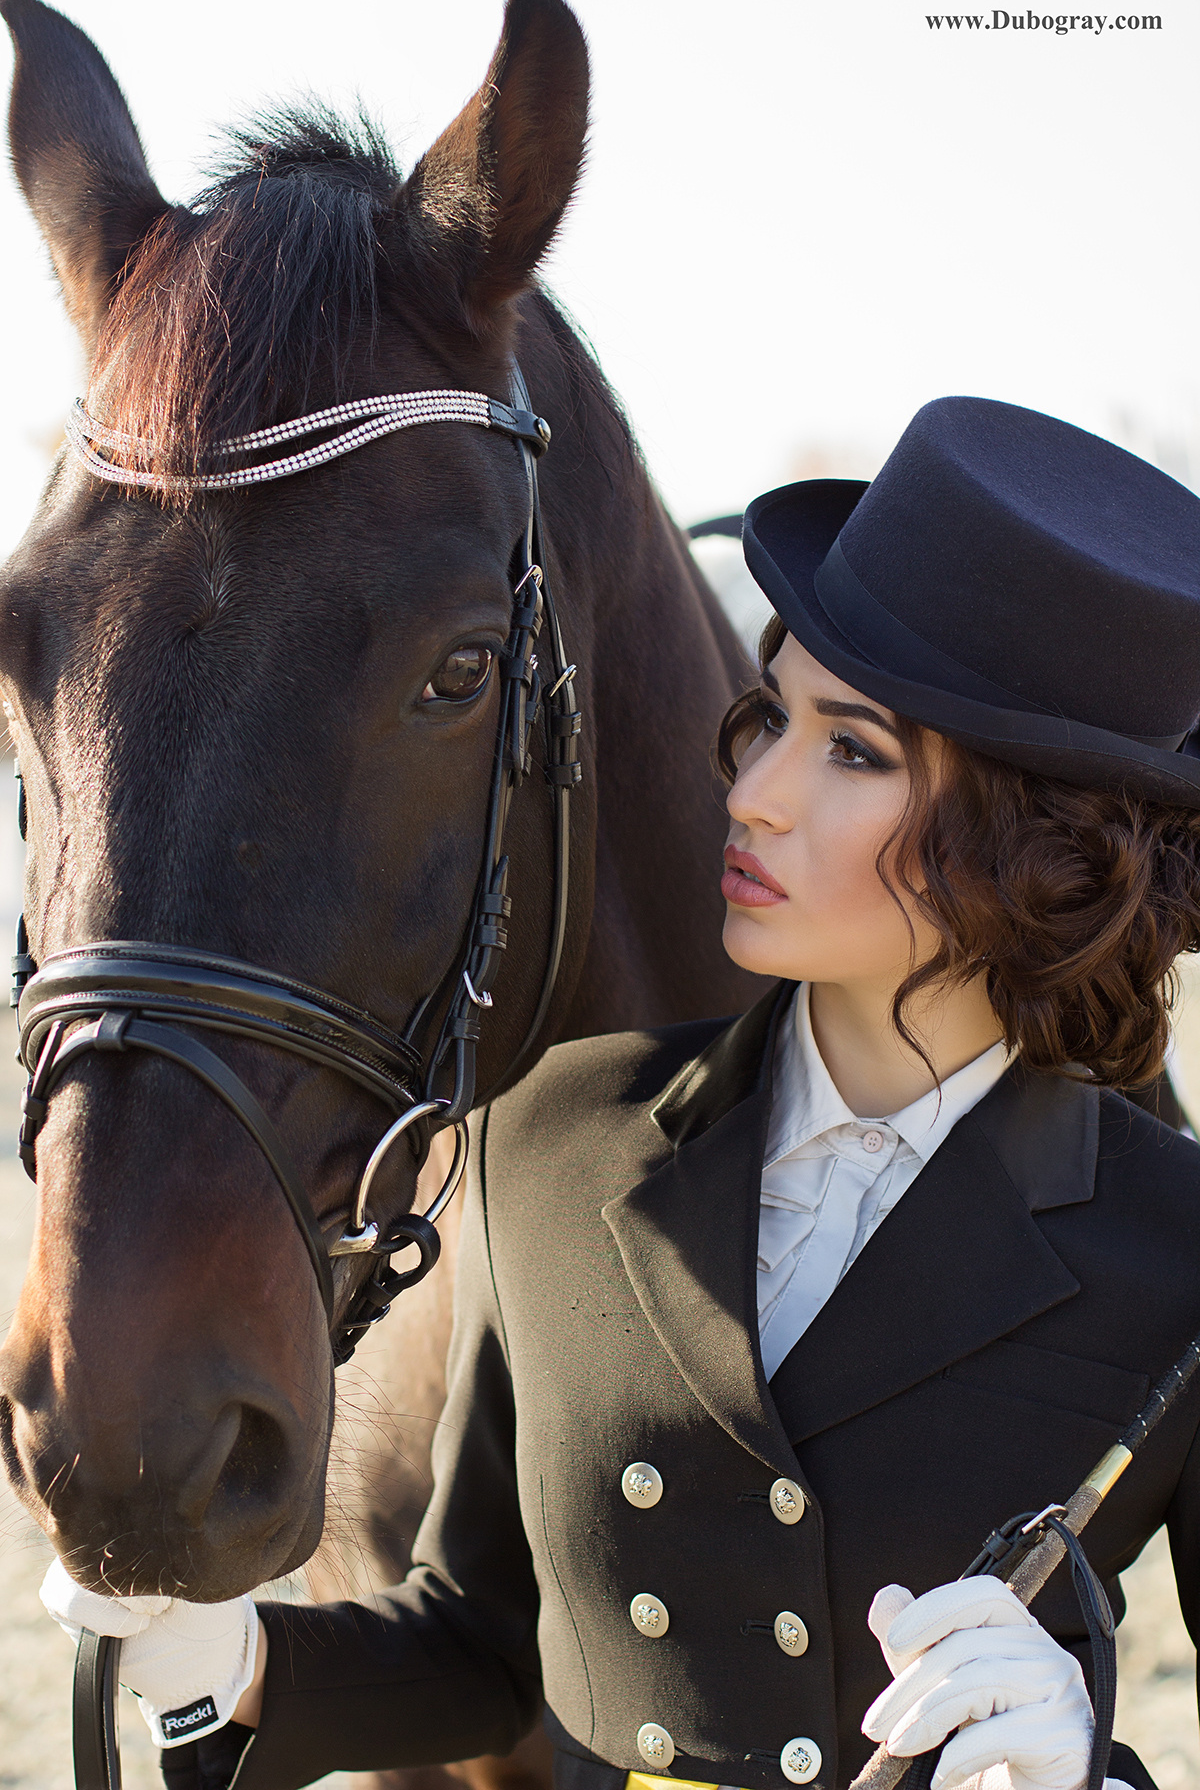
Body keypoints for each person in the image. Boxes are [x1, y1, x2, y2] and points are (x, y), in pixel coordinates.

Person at [42, 396, 1200, 1790]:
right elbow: (482, 1644)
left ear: (1034, 844)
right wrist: (232, 1669)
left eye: (852, 751)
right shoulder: (553, 1141)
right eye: (771, 713)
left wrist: (1093, 1777)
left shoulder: (1172, 1257)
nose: (755, 790)